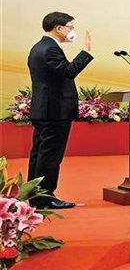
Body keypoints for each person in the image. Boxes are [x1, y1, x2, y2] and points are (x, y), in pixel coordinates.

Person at [27, 12, 93, 209]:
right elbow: (68, 71)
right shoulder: (50, 49)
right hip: (54, 111)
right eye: (70, 27)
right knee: (50, 156)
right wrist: (86, 52)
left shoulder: (38, 47)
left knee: (40, 154)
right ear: (58, 28)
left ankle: (34, 195)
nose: (72, 31)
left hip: (44, 109)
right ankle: (45, 198)